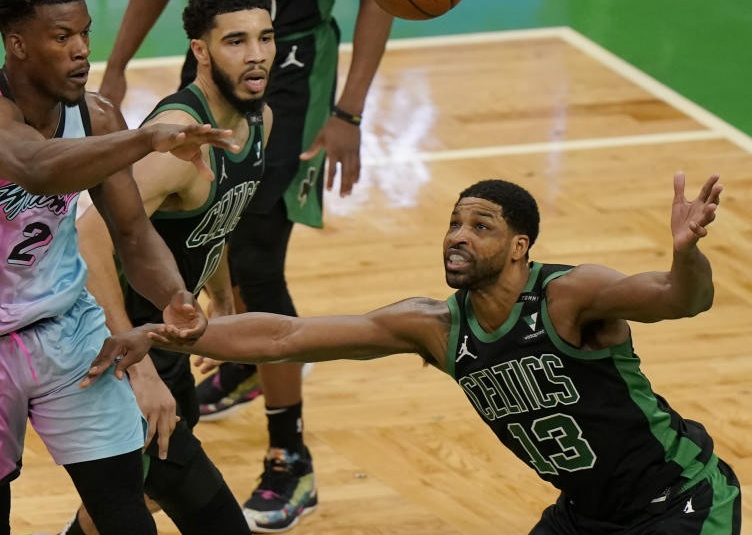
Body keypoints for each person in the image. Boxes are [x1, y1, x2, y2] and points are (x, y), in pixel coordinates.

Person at [89, 172, 742, 534]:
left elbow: (676, 300)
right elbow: (288, 336)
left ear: (520, 247)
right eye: (455, 223)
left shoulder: (568, 298)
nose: (458, 236)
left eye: (480, 226)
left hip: (680, 501)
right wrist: (178, 333)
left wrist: (687, 256)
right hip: (586, 513)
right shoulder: (434, 327)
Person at [0, 0, 240, 535]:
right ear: (18, 45)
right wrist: (145, 141)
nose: (82, 49)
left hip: (68, 331)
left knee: (125, 516)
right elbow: (35, 167)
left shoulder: (98, 118)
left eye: (85, 33)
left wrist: (173, 295)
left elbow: (133, 233)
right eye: (62, 37)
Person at [98, 0, 393, 529]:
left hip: (290, 73)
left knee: (259, 257)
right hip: (218, 53)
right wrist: (117, 63)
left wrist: (348, 111)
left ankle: (290, 455)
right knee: (197, 206)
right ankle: (241, 358)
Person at [62, 0, 273, 535]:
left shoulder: (258, 120)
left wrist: (224, 301)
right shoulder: (177, 140)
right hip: (118, 345)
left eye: (266, 38)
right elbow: (87, 238)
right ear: (201, 51)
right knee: (203, 512)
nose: (256, 57)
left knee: (140, 494)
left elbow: (216, 220)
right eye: (237, 41)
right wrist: (141, 371)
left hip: (167, 341)